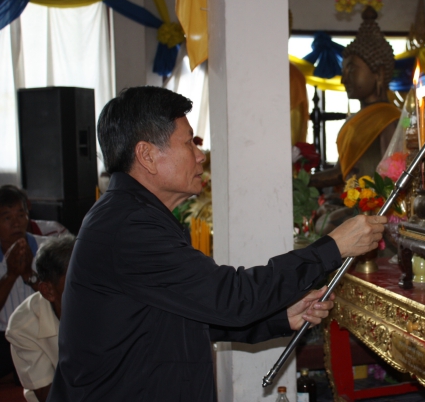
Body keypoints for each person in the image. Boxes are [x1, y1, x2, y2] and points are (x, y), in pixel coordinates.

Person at [48, 86, 386, 401]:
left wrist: (281, 318)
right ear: (147, 155)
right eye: (189, 144)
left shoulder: (135, 215)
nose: (200, 156)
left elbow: (188, 314)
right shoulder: (128, 226)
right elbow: (231, 297)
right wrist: (332, 247)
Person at [309, 6, 399, 189]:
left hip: (376, 201)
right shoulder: (357, 119)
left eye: (351, 70)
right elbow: (344, 171)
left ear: (379, 73)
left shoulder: (390, 119)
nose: (344, 79)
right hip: (354, 197)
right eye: (343, 71)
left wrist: (303, 182)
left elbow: (391, 175)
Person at [5, 235, 74, 402]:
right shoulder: (24, 326)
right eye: (75, 284)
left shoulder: (109, 301)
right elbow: (49, 396)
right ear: (48, 291)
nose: (89, 290)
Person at [0, 185, 39, 382]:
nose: (16, 223)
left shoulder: (47, 248)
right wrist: (10, 275)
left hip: (42, 333)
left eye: (21, 215)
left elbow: (63, 298)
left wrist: (28, 275)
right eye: (7, 218)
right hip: (3, 338)